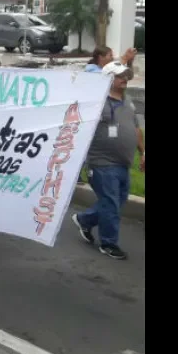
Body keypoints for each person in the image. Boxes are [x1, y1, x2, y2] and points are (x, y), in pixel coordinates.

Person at [71, 61, 145, 260]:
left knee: (115, 202)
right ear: (109, 79)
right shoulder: (96, 101)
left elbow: (136, 128)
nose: (125, 79)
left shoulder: (128, 101)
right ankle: (109, 243)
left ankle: (84, 220)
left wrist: (142, 152)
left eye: (126, 75)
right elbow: (78, 126)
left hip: (123, 163)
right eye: (120, 76)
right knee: (111, 203)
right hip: (101, 163)